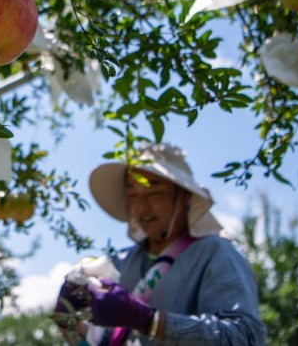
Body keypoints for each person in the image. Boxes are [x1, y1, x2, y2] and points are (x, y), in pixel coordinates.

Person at [53, 142, 266, 346]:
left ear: (183, 197)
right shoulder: (120, 263)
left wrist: (150, 321)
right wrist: (71, 325)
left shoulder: (215, 253)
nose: (141, 207)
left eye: (154, 192)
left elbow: (245, 337)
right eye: (132, 195)